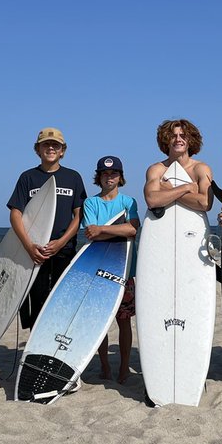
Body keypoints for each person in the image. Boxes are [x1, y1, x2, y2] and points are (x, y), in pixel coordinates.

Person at [7, 128, 87, 330]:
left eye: (56, 145)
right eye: (46, 144)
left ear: (62, 151)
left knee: (63, 304)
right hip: (35, 253)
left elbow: (79, 214)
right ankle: (35, 352)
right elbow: (15, 213)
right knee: (37, 304)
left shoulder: (73, 177)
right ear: (38, 149)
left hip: (64, 252)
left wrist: (61, 242)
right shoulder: (28, 178)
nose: (51, 148)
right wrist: (28, 245)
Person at [82, 155, 139, 383]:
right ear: (99, 177)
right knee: (100, 324)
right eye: (105, 174)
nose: (109, 177)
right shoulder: (90, 203)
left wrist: (103, 229)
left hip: (124, 270)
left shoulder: (129, 202)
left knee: (124, 321)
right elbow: (91, 234)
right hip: (97, 270)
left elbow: (133, 230)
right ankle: (105, 366)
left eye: (114, 173)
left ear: (120, 177)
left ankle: (124, 368)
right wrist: (119, 228)